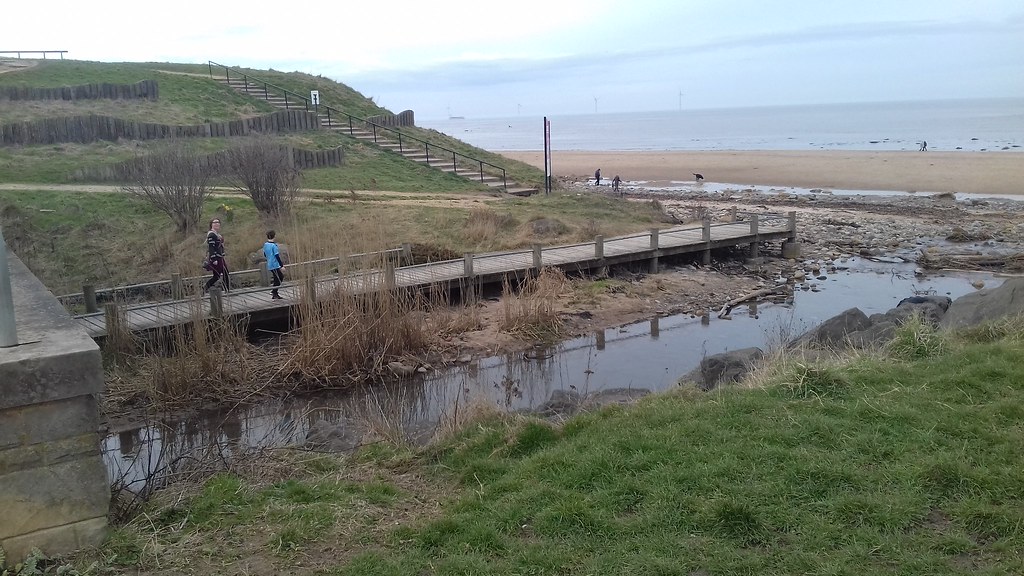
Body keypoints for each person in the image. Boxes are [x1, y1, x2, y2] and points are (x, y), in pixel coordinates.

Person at [204, 218, 230, 293]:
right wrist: (214, 258)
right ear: (211, 224)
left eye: (218, 222)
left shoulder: (217, 234)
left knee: (218, 275)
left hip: (219, 256)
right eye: (214, 222)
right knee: (224, 273)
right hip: (216, 258)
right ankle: (226, 290)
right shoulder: (211, 234)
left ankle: (205, 288)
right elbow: (211, 247)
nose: (217, 224)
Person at [263, 229, 285, 300]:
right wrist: (281, 266)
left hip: (269, 264)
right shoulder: (274, 246)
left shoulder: (266, 244)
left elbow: (264, 254)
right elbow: (277, 256)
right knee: (280, 277)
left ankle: (275, 293)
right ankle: (274, 291)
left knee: (277, 278)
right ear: (274, 236)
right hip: (274, 265)